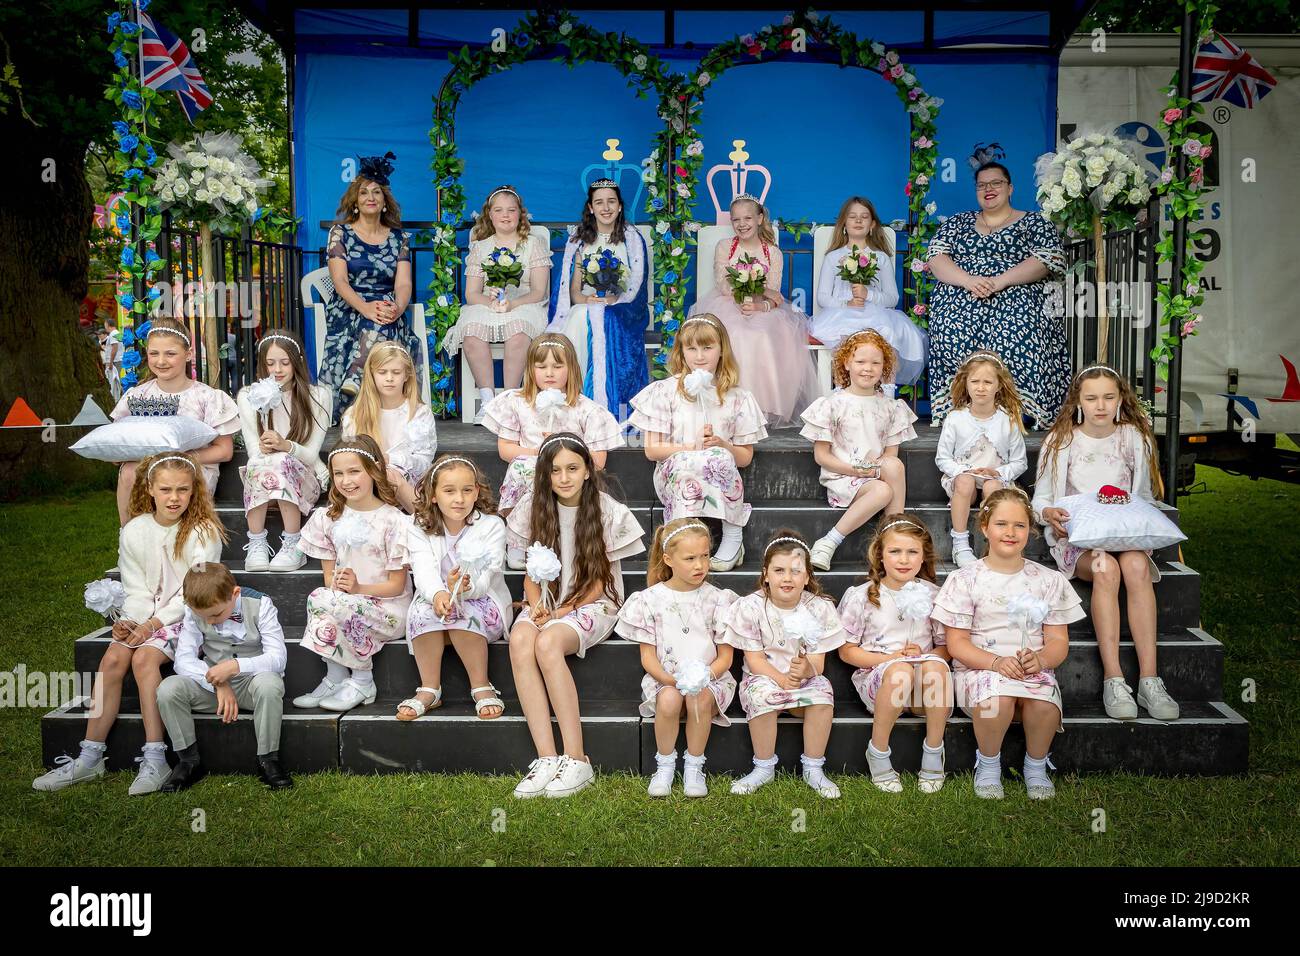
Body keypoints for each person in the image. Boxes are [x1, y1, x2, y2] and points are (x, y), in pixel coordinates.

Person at [33, 453, 225, 794]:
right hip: (147, 618)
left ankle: (155, 757)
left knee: (144, 658)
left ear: (194, 490)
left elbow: (197, 593)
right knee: (113, 657)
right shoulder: (135, 530)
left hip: (188, 616)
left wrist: (152, 624)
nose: (174, 498)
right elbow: (135, 588)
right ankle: (89, 756)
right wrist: (128, 621)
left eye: (183, 489)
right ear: (149, 488)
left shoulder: (202, 531)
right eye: (165, 489)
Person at [1032, 364, 1179, 721]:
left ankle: (1149, 679)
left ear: (1120, 400)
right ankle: (1114, 678)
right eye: (1092, 398)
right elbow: (1041, 500)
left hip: (1122, 534)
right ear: (1078, 401)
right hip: (1080, 540)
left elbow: (1143, 495)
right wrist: (1050, 514)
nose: (1101, 405)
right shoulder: (1062, 440)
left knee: (1136, 565)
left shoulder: (1133, 438)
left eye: (1109, 397)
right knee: (1105, 568)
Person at [504, 433, 645, 799]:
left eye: (572, 468)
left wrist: (562, 612)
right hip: (548, 601)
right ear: (544, 475)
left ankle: (577, 758)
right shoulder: (532, 508)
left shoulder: (607, 510)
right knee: (521, 639)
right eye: (555, 470)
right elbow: (531, 572)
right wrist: (537, 606)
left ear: (587, 470)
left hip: (592, 602)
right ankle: (546, 758)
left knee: (549, 642)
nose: (564, 477)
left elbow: (599, 582)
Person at [932, 488, 1085, 799]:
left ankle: (1036, 766)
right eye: (1001, 524)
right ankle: (988, 765)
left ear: (1030, 530)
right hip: (980, 668)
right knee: (996, 701)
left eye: (1020, 525)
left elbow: (1058, 641)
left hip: (1031, 669)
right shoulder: (965, 579)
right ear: (985, 528)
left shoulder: (1048, 580)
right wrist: (996, 663)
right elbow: (957, 643)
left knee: (1043, 703)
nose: (1011, 533)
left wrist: (1041, 660)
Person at [925, 161, 1068, 428]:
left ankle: (1020, 410)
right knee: (949, 324)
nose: (988, 189)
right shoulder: (959, 222)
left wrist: (999, 281)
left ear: (1010, 187)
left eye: (996, 183)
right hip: (963, 293)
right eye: (982, 185)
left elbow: (1048, 259)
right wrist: (968, 281)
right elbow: (935, 257)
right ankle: (960, 409)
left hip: (1017, 294)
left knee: (1020, 324)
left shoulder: (1034, 222)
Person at [628, 314, 767, 572]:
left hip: (718, 473)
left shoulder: (738, 397)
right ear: (681, 352)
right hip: (677, 471)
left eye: (707, 347)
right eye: (691, 348)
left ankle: (733, 539)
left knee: (719, 456)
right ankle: (681, 537)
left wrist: (723, 445)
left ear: (721, 350)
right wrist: (692, 447)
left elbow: (745, 457)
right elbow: (652, 450)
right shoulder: (664, 391)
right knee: (687, 460)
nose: (699, 356)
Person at [617, 519, 739, 797]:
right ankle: (665, 764)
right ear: (668, 559)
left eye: (705, 556)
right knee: (670, 698)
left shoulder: (718, 599)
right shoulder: (649, 600)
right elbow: (648, 657)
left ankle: (694, 766)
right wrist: (670, 680)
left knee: (699, 698)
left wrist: (703, 678)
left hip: (711, 680)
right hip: (666, 678)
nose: (700, 565)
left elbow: (725, 658)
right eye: (690, 558)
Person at [720, 533, 847, 799]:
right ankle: (763, 766)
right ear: (766, 574)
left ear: (807, 576)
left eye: (795, 571)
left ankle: (813, 767)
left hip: (802, 679)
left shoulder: (818, 608)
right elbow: (754, 660)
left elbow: (818, 663)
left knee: (823, 693)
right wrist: (781, 679)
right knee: (761, 694)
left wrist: (806, 671)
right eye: (779, 570)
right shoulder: (751, 607)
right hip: (765, 675)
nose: (787, 578)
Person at [292, 436, 413, 713]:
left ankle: (362, 678)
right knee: (321, 597)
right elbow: (328, 581)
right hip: (347, 600)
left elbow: (396, 585)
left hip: (388, 608)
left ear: (373, 471)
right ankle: (335, 677)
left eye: (354, 471)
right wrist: (344, 587)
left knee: (338, 603)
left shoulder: (393, 520)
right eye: (338, 474)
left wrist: (358, 588)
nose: (346, 480)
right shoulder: (328, 518)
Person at [837, 515, 951, 793]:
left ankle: (934, 752)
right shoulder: (863, 596)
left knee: (935, 667)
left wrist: (924, 655)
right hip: (881, 682)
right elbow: (847, 651)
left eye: (912, 552)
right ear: (880, 555)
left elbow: (946, 648)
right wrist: (891, 660)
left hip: (923, 690)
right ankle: (878, 750)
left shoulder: (933, 595)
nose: (904, 559)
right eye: (895, 551)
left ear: (923, 557)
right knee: (900, 672)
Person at [155, 563, 293, 791]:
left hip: (252, 682)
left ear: (235, 594)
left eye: (216, 614)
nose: (210, 621)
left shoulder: (261, 604)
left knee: (270, 684)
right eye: (204, 617)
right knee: (168, 689)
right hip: (213, 689)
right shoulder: (194, 610)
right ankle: (188, 761)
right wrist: (218, 683)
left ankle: (268, 760)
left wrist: (235, 666)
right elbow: (183, 661)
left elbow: (278, 658)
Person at [688, 194, 821, 427]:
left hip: (762, 309)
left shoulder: (772, 252)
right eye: (736, 219)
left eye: (748, 217)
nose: (742, 224)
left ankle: (760, 406)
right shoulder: (725, 247)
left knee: (761, 334)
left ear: (760, 218)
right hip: (728, 303)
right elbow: (723, 282)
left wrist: (760, 303)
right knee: (734, 333)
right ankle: (725, 402)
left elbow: (774, 292)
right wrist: (745, 292)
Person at [402, 455, 513, 720]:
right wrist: (440, 592)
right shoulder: (418, 526)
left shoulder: (491, 526)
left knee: (463, 611)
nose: (459, 499)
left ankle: (481, 685)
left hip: (482, 598)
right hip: (435, 595)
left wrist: (463, 588)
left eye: (466, 490)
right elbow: (423, 569)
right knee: (422, 612)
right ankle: (430, 687)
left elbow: (487, 577)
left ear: (476, 492)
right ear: (433, 495)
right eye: (449, 491)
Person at [317, 151, 421, 422]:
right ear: (355, 201)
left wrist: (397, 309)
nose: (370, 198)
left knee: (382, 315)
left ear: (385, 201)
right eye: (364, 193)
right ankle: (356, 380)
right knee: (376, 319)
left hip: (387, 309)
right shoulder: (341, 233)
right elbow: (339, 281)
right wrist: (365, 308)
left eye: (376, 192)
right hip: (350, 307)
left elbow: (404, 283)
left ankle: (353, 381)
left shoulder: (400, 238)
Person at [799, 330, 915, 570]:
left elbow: (889, 457)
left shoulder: (891, 408)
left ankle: (894, 535)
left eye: (875, 362)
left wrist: (871, 470)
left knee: (894, 466)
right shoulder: (832, 404)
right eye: (860, 361)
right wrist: (855, 470)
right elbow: (822, 456)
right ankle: (830, 541)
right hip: (843, 476)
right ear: (846, 363)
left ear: (884, 367)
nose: (868, 368)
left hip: (874, 473)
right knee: (883, 491)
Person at [110, 318, 238, 525]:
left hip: (191, 469)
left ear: (188, 355)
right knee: (129, 470)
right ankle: (130, 535)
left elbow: (224, 450)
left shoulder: (207, 397)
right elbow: (116, 449)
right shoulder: (138, 396)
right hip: (149, 471)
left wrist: (183, 457)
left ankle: (185, 538)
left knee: (174, 478)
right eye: (154, 353)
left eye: (170, 353)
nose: (161, 361)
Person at [481, 333, 621, 518]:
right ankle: (520, 529)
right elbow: (506, 449)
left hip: (570, 475)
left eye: (557, 366)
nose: (549, 373)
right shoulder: (516, 402)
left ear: (571, 368)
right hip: (532, 470)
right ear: (530, 369)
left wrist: (562, 454)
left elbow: (598, 461)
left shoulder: (587, 410)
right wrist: (539, 453)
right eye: (541, 366)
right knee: (524, 467)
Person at [442, 185, 552, 414]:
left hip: (524, 303)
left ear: (519, 214)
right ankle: (488, 402)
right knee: (471, 333)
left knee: (519, 334)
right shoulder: (481, 247)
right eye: (499, 210)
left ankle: (510, 401)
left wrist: (512, 304)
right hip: (488, 305)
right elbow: (472, 294)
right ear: (489, 215)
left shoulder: (533, 244)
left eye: (511, 210)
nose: (505, 215)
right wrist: (489, 301)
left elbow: (539, 291)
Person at [549, 180, 651, 418]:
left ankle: (608, 402)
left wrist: (614, 301)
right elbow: (574, 292)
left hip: (620, 308)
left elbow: (636, 287)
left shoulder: (632, 239)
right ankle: (576, 400)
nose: (606, 208)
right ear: (591, 207)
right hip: (587, 305)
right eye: (599, 202)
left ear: (620, 206)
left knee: (610, 320)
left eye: (611, 201)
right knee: (580, 319)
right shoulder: (579, 240)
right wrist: (591, 301)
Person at [236, 330, 332, 573]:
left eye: (284, 362)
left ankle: (293, 542)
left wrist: (285, 446)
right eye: (270, 363)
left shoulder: (319, 396)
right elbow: (253, 455)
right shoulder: (248, 396)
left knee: (280, 459)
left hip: (304, 479)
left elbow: (311, 456)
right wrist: (264, 448)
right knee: (266, 462)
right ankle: (256, 541)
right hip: (262, 479)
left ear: (296, 361)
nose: (277, 369)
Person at [810, 195, 928, 384]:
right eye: (852, 216)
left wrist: (868, 294)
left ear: (872, 225)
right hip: (841, 314)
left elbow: (892, 298)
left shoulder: (880, 258)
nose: (858, 220)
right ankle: (844, 390)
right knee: (841, 335)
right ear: (843, 224)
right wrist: (846, 303)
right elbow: (823, 297)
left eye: (864, 217)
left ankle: (885, 389)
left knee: (887, 330)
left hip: (875, 314)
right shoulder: (834, 257)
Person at [935, 350, 1028, 568]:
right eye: (975, 381)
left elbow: (1020, 461)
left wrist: (999, 472)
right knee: (966, 482)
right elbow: (943, 458)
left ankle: (994, 545)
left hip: (994, 479)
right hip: (962, 480)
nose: (981, 387)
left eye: (988, 382)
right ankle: (960, 543)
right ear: (966, 383)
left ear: (999, 385)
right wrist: (963, 470)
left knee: (992, 486)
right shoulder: (956, 418)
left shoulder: (1008, 420)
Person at [340, 341, 437, 513]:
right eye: (382, 372)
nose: (389, 378)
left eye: (396, 372)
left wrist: (392, 460)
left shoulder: (418, 413)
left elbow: (424, 462)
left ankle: (423, 521)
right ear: (372, 374)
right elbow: (348, 457)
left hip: (409, 484)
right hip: (368, 480)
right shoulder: (354, 414)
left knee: (392, 475)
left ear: (407, 375)